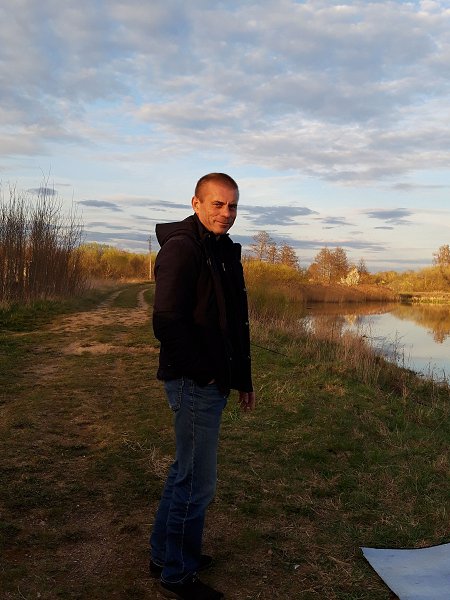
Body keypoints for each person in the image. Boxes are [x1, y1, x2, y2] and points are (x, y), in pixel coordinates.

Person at [149, 173, 256, 600]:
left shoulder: (222, 249)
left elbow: (235, 321)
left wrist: (243, 379)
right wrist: (205, 374)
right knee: (197, 482)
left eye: (233, 205)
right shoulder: (182, 248)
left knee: (184, 471)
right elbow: (166, 323)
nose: (226, 213)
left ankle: (164, 555)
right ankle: (178, 575)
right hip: (193, 382)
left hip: (212, 379)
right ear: (196, 203)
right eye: (217, 204)